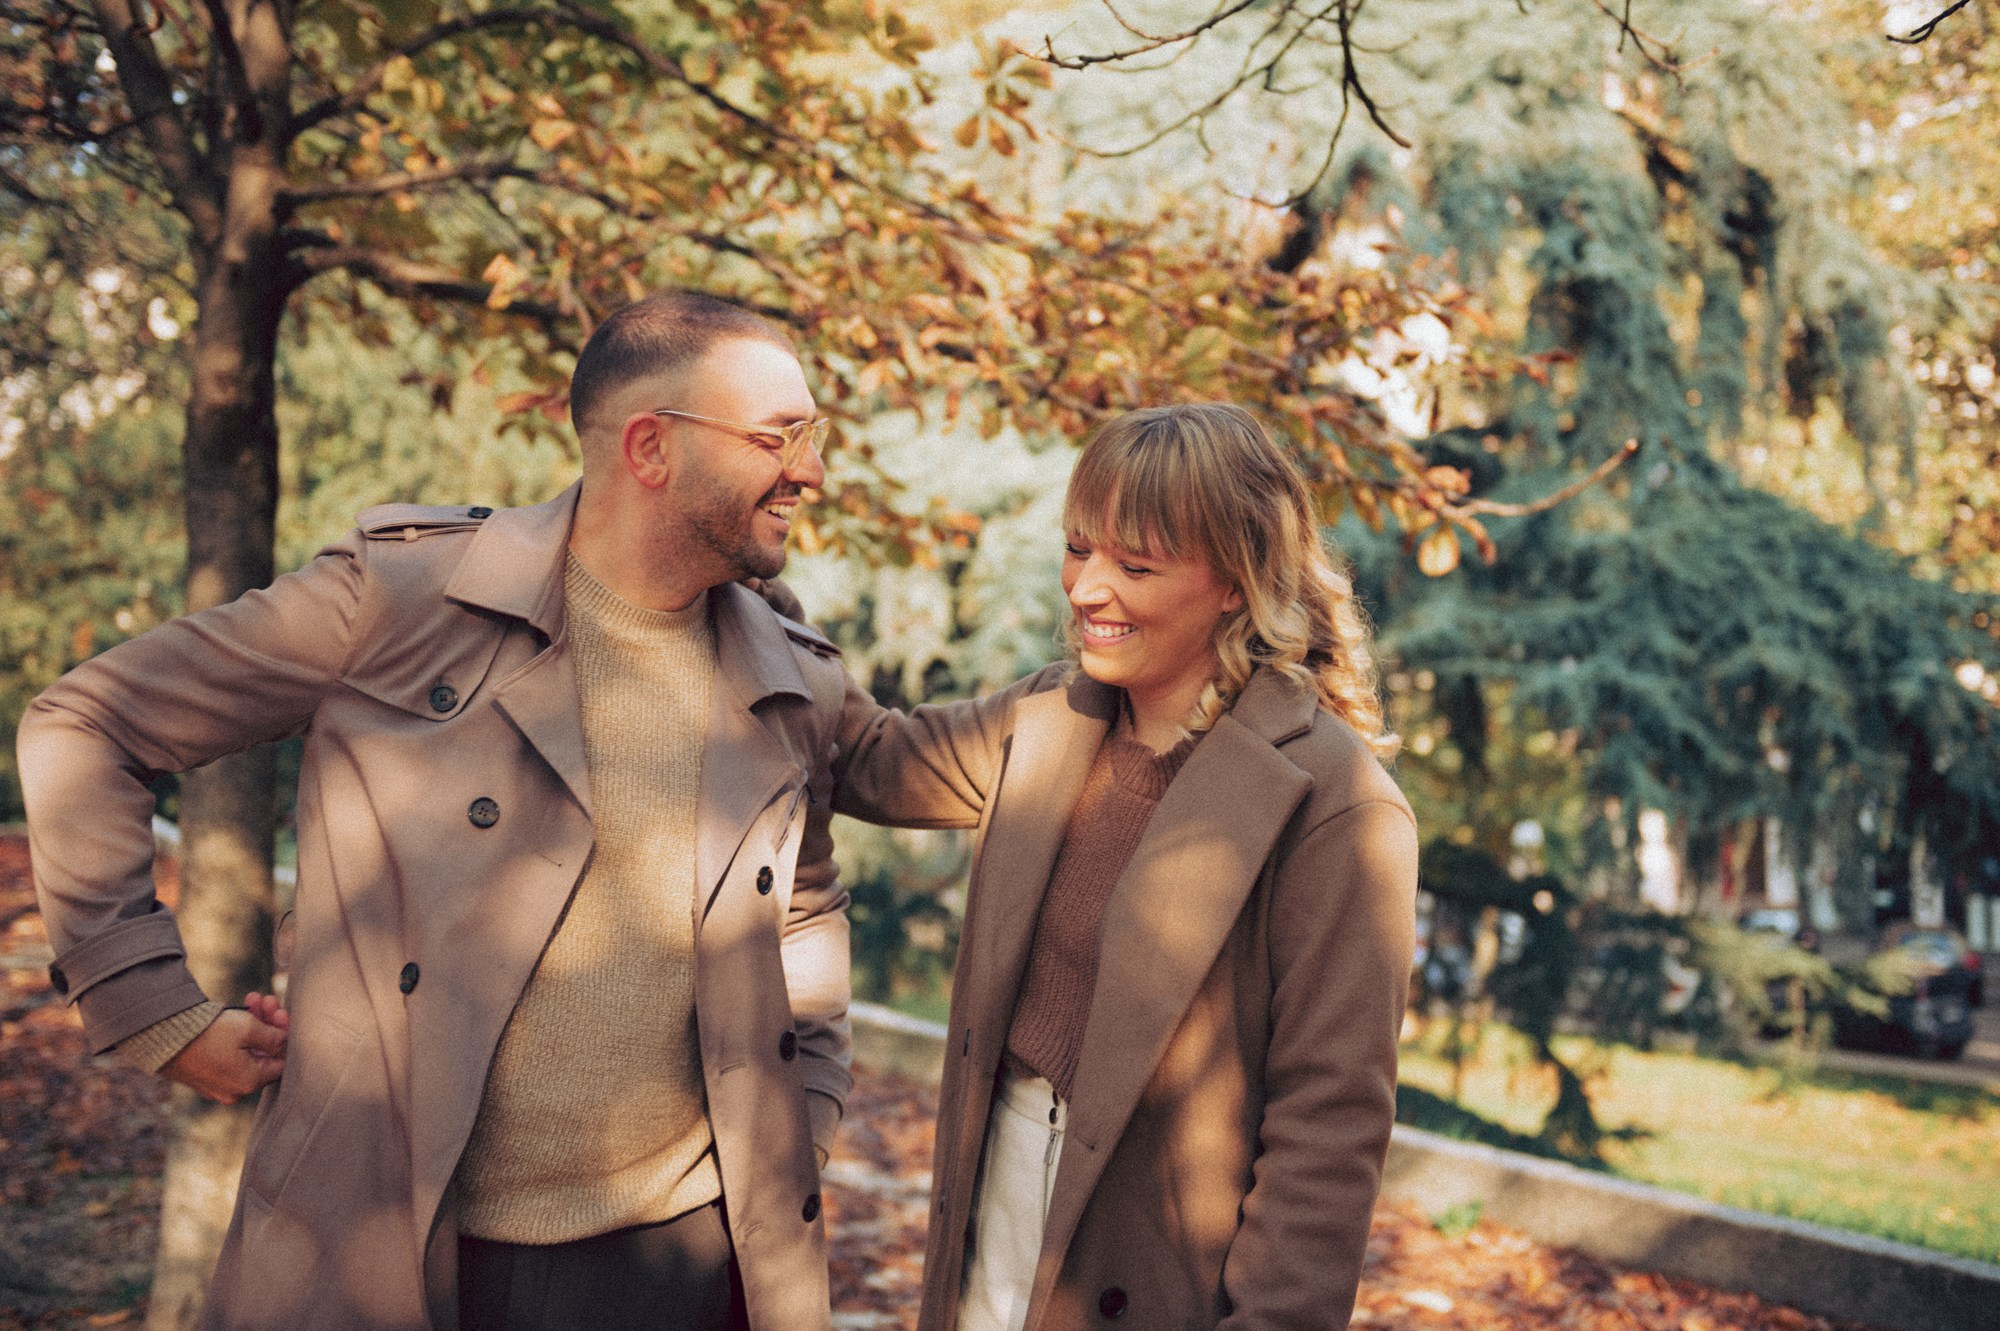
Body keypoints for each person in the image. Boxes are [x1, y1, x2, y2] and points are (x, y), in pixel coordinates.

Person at [19, 291, 855, 1331]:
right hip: (391, 1248)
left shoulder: (782, 664)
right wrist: (151, 1008)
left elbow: (805, 898)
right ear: (650, 446)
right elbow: (85, 724)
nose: (812, 471)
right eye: (780, 436)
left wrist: (801, 1111)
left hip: (682, 1265)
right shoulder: (409, 597)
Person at [831, 403, 1419, 1331]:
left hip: (1149, 1255)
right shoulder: (1048, 719)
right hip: (995, 1196)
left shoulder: (1335, 803)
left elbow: (1327, 1134)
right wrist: (736, 584)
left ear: (1236, 581)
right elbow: (863, 757)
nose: (1088, 589)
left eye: (1135, 566)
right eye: (1079, 549)